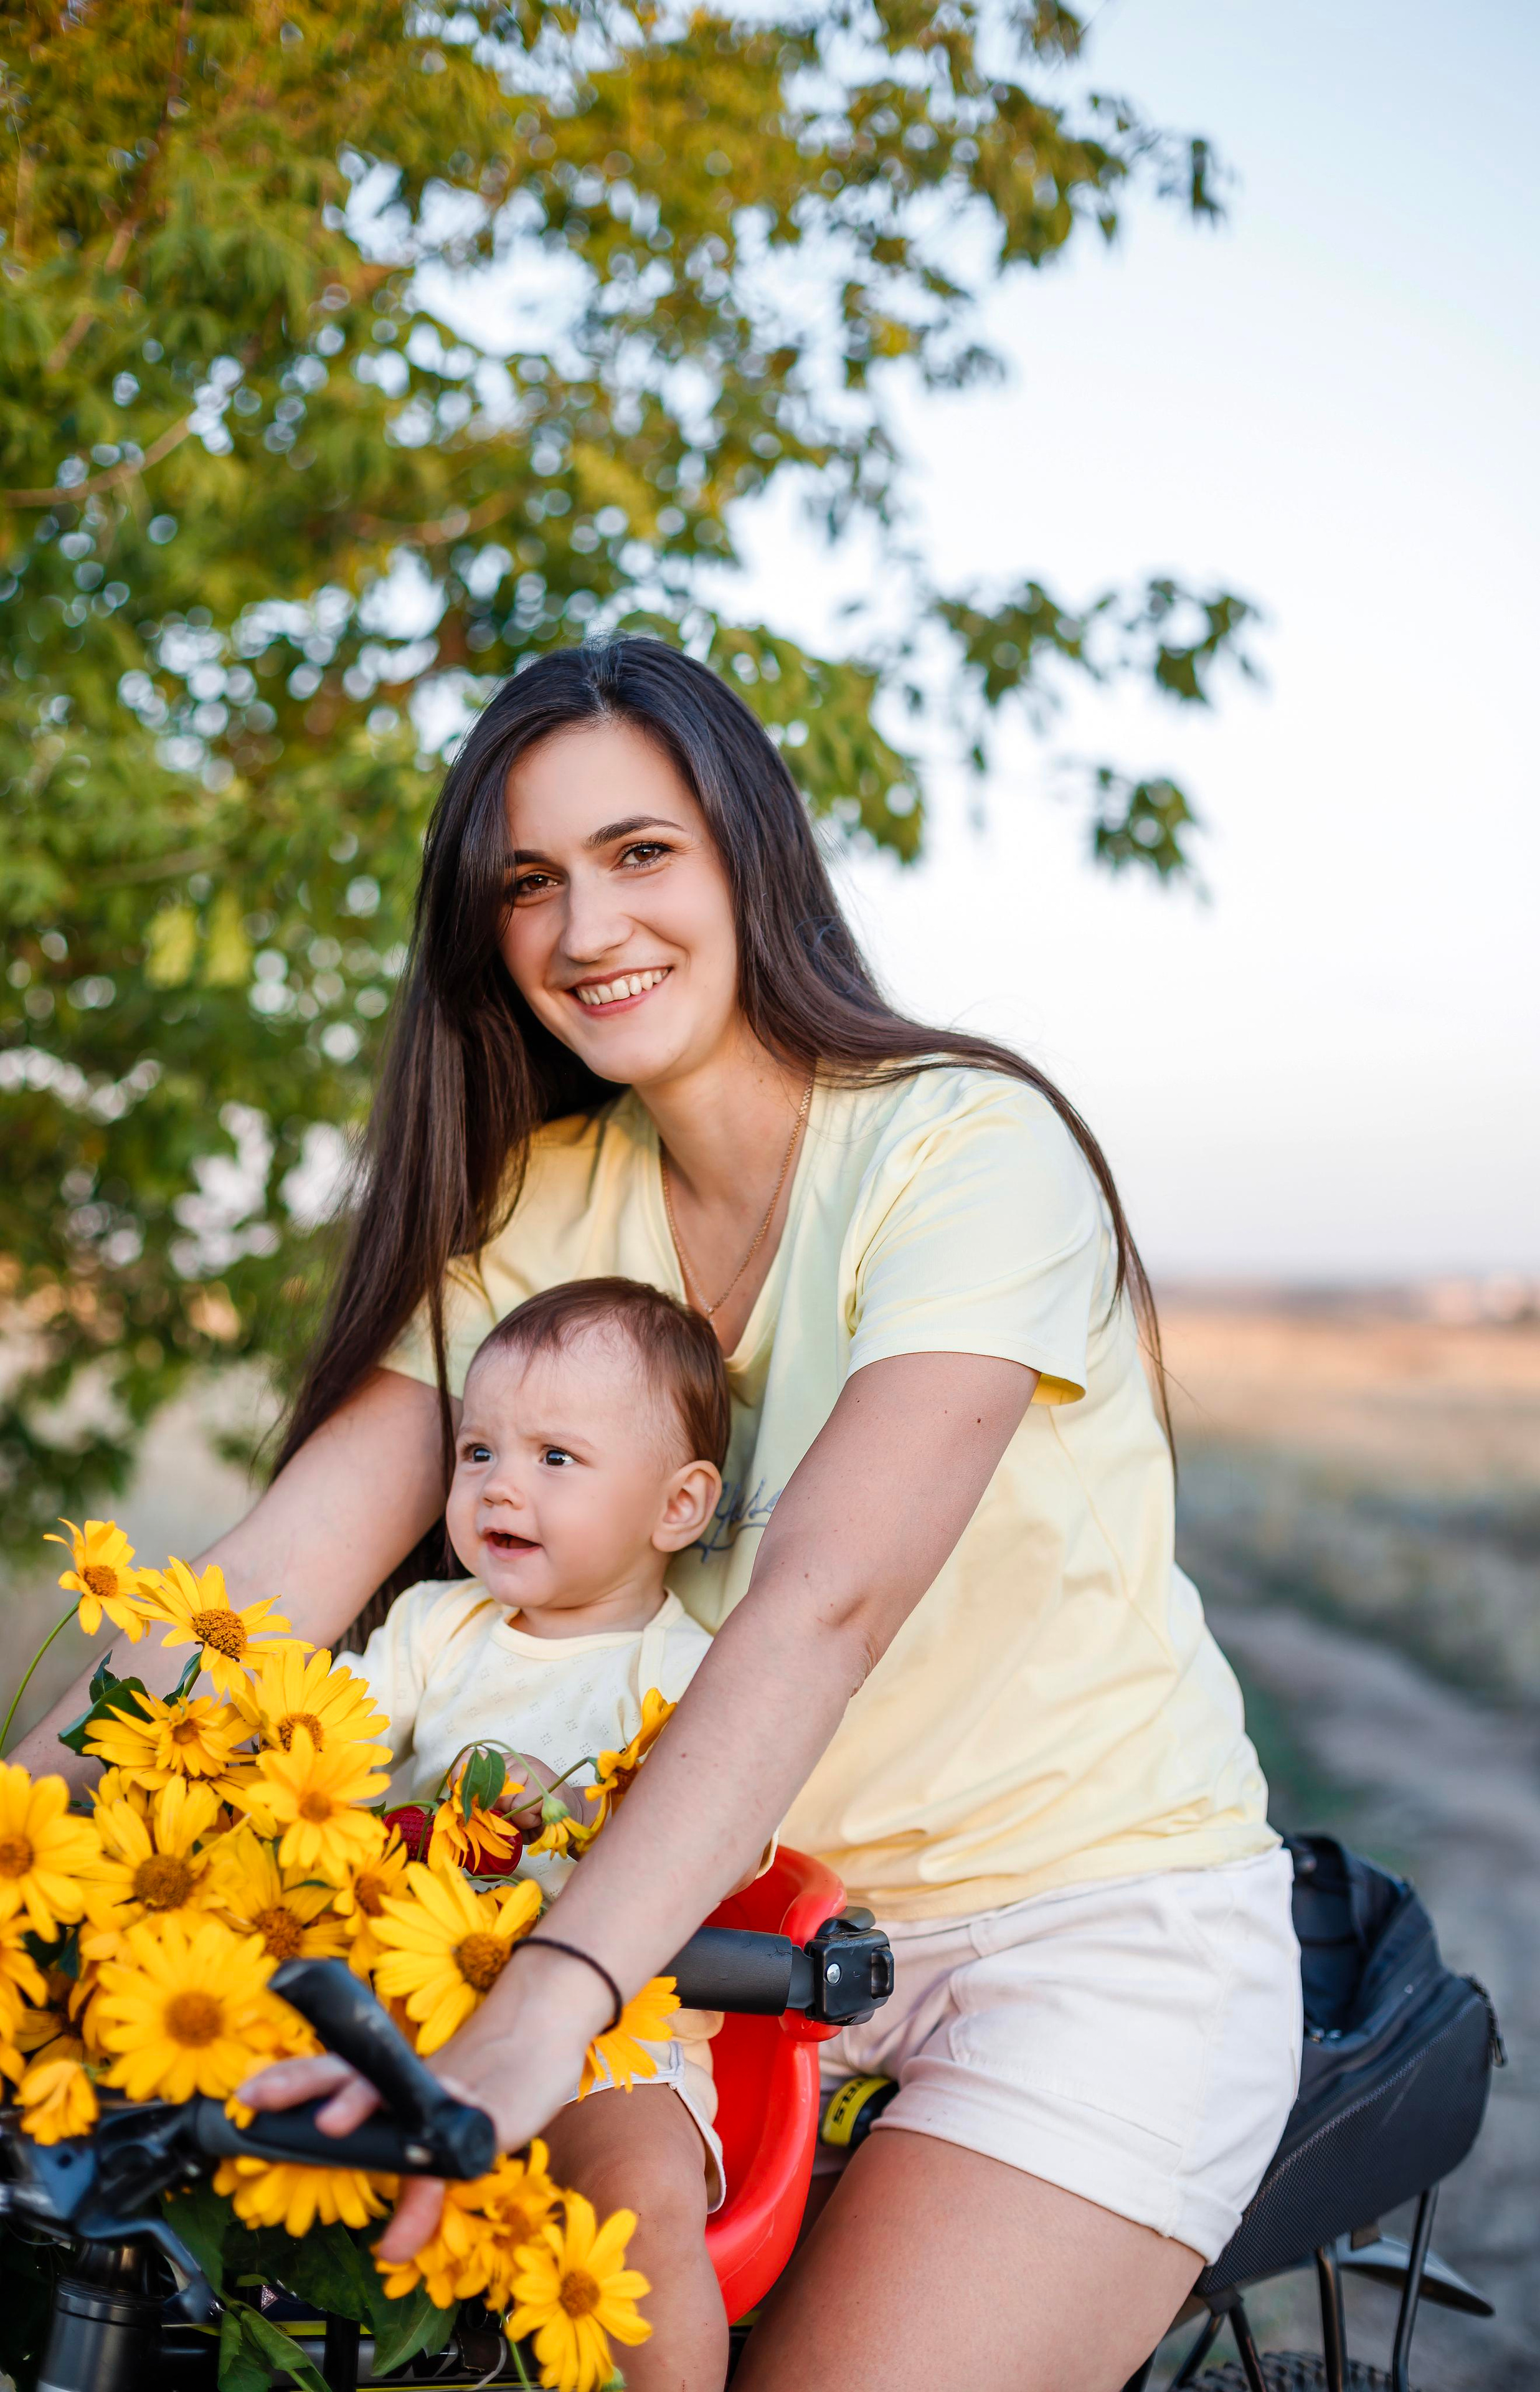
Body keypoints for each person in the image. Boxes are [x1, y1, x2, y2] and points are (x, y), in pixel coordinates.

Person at [19, 638, 1300, 2392]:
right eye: (527, 882)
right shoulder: (542, 1198)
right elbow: (266, 1582)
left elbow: (821, 1609)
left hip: (1062, 1925)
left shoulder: (961, 1149)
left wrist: (545, 1998)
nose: (584, 927)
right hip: (686, 1945)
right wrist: (27, 1851)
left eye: (640, 853)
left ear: (747, 855)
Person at [344, 1274, 741, 2388]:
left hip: (610, 2039)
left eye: (555, 1460)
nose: (501, 1487)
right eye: (479, 1453)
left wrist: (570, 1808)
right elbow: (336, 1745)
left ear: (677, 1506)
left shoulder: (687, 1672)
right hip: (406, 1996)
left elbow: (731, 1834)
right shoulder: (436, 1626)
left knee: (637, 2209)